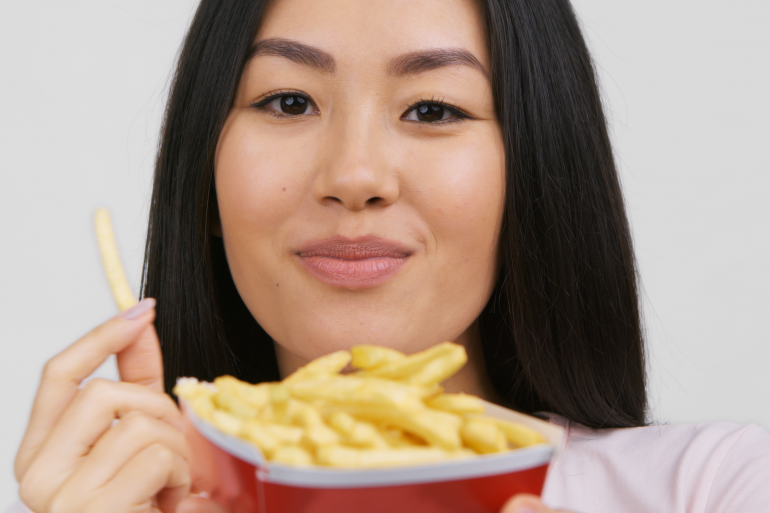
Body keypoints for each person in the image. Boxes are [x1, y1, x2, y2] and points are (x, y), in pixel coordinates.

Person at [9, 0, 770, 511]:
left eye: (433, 109)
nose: (354, 176)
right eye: (289, 101)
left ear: (535, 171)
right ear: (203, 180)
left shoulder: (717, 486)